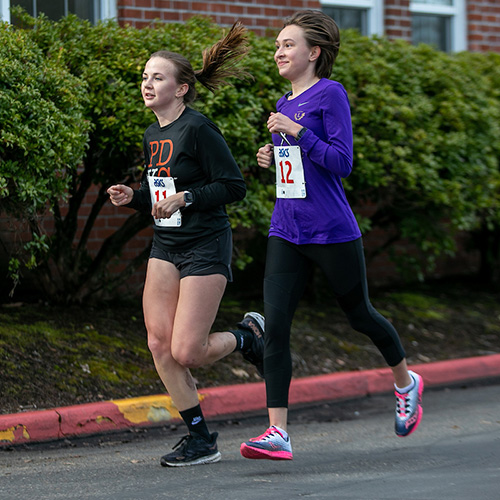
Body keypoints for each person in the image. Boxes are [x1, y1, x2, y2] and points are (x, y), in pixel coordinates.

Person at [240, 10, 424, 461]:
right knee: (277, 326)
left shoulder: (331, 94)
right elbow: (298, 171)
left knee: (359, 314)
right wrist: (271, 153)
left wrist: (297, 132)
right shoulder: (284, 102)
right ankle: (277, 432)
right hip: (287, 229)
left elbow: (342, 163)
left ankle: (406, 381)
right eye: (278, 44)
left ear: (314, 52)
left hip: (331, 230)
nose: (278, 51)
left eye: (288, 44)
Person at [107, 22, 265, 467]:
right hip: (167, 246)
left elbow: (233, 186)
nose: (147, 84)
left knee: (186, 351)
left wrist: (187, 196)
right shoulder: (152, 135)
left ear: (181, 88)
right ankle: (201, 439)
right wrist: (134, 198)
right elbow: (161, 198)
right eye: (144, 77)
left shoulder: (197, 129)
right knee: (159, 345)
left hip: (205, 245)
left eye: (158, 77)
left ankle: (247, 337)